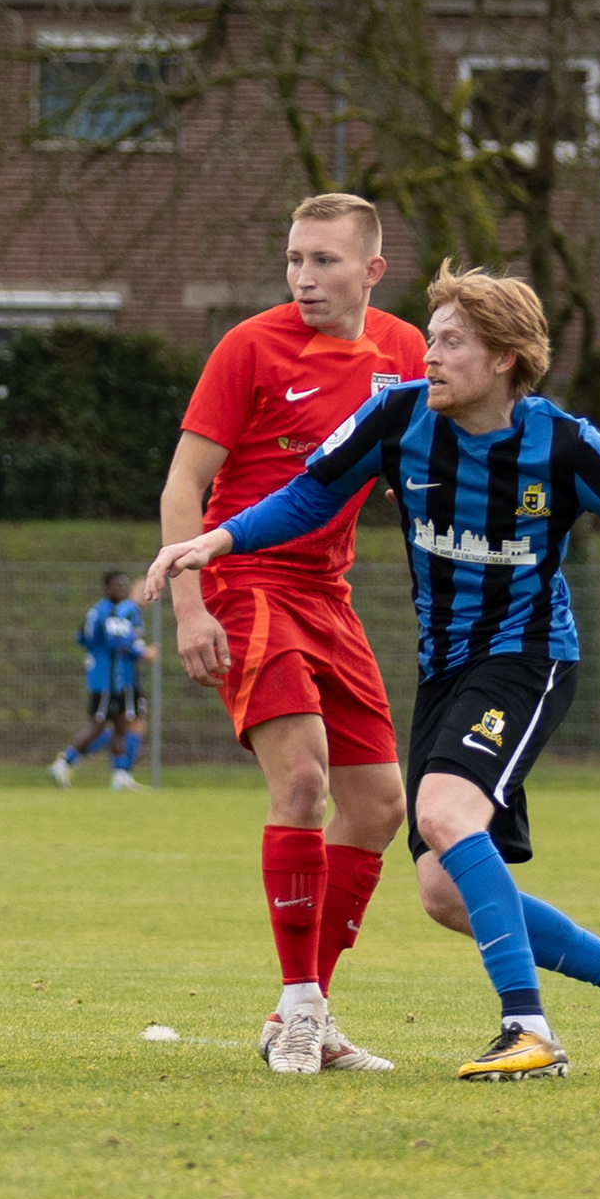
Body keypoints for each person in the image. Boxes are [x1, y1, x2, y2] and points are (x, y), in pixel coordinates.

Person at [144, 265, 600, 1080]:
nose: (428, 356)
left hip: (528, 659)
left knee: (439, 810)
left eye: (452, 343)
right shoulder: (398, 417)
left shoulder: (567, 445)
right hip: (445, 670)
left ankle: (527, 1029)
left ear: (505, 358)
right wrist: (218, 540)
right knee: (443, 891)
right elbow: (309, 496)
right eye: (430, 339)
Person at [163, 194, 430, 1075]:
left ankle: (300, 1012)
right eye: (294, 259)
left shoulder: (405, 353)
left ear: (373, 271)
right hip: (243, 578)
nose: (304, 278)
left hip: (328, 593)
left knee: (380, 806)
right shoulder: (250, 347)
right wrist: (190, 607)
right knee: (306, 781)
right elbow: (183, 487)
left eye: (324, 260)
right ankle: (304, 1006)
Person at [50, 570, 147, 790]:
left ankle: (120, 774)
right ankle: (63, 764)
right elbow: (112, 642)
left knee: (121, 724)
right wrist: (132, 641)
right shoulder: (104, 612)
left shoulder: (110, 612)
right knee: (98, 726)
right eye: (117, 586)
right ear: (106, 588)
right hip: (104, 680)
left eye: (124, 586)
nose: (121, 590)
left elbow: (84, 637)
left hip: (117, 681)